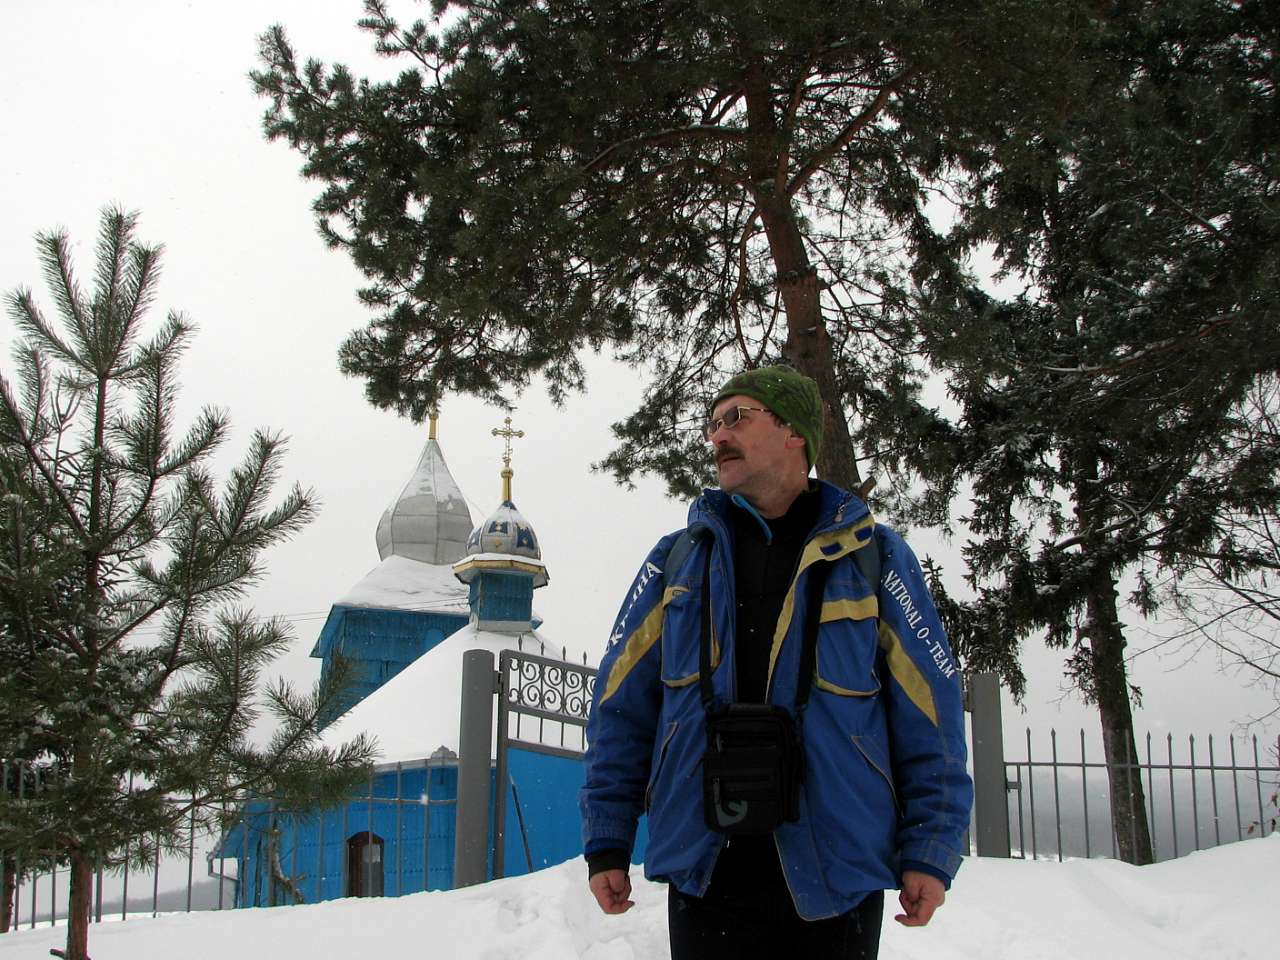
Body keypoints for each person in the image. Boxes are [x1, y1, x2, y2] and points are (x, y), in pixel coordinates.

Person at [579, 364, 973, 959]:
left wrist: (931, 847)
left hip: (834, 869)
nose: (717, 437)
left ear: (795, 434)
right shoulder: (677, 561)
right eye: (713, 424)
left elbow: (930, 708)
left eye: (737, 418)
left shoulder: (873, 557)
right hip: (706, 862)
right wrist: (608, 837)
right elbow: (620, 705)